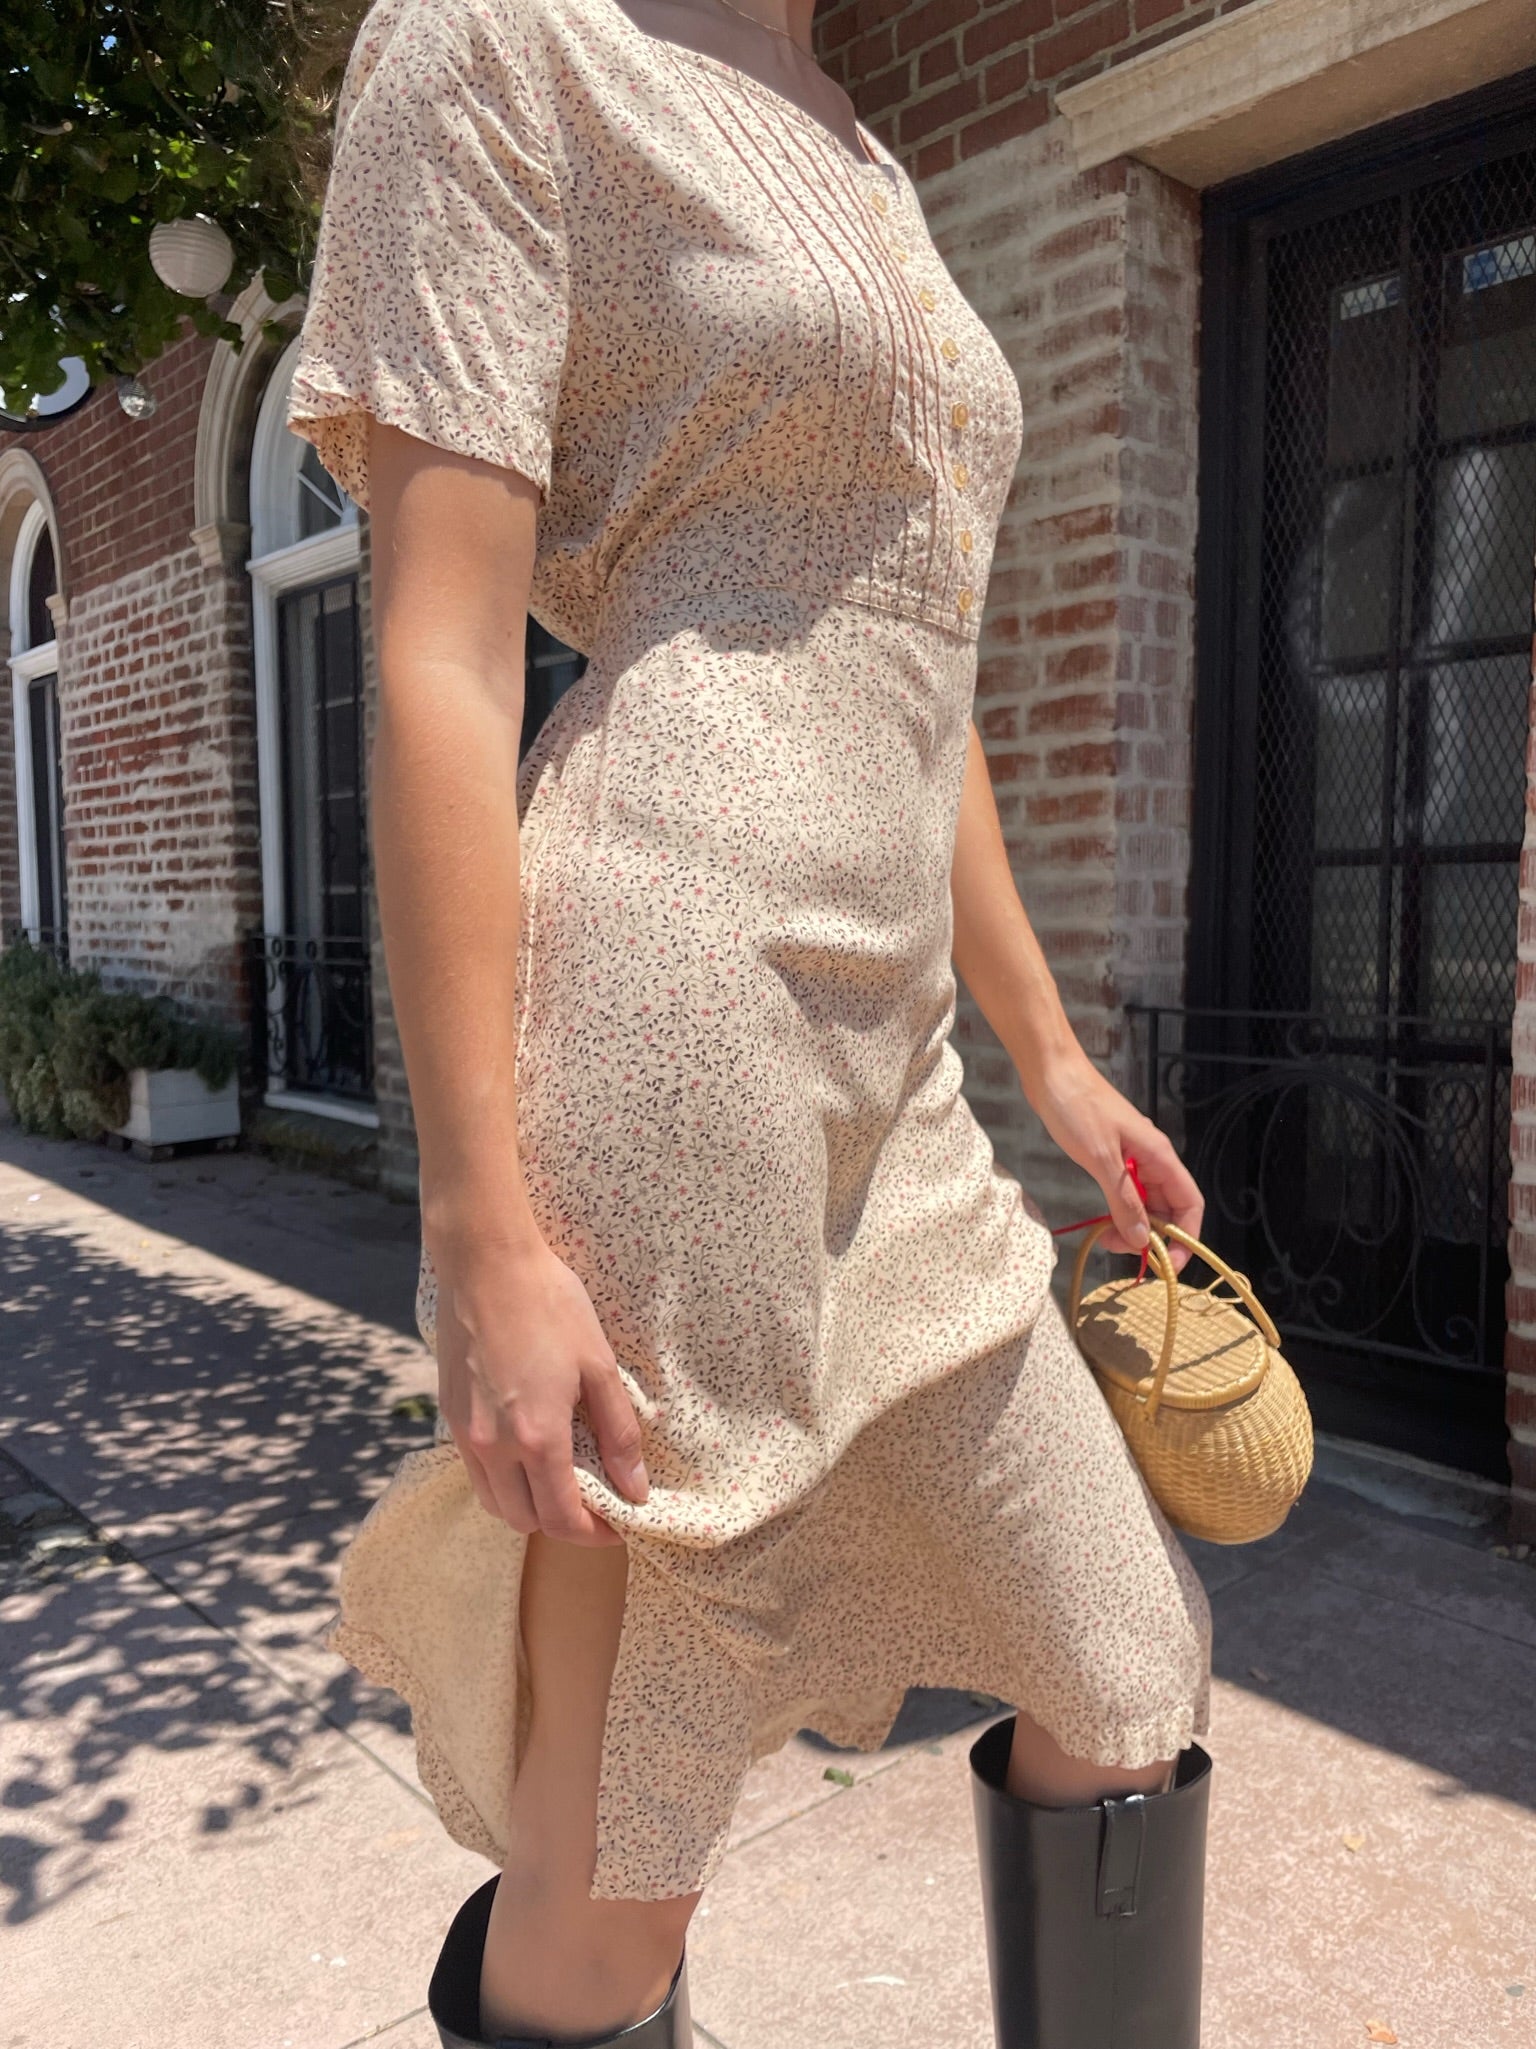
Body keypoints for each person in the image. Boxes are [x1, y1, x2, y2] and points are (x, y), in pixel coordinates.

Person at [286, 0, 1216, 2042]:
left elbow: (912, 645)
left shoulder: (856, 143)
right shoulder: (500, 46)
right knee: (623, 1839)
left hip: (909, 1085)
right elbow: (440, 655)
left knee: (1123, 1664)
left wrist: (1048, 1051)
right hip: (672, 1011)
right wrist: (480, 1228)